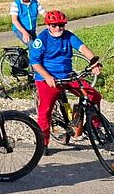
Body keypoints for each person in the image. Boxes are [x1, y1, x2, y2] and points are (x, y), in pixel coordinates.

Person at [29, 10, 102, 154]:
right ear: (48, 26)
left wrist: (94, 62)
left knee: (93, 96)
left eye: (61, 25)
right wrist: (47, 76)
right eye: (54, 25)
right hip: (47, 78)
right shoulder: (41, 40)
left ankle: (93, 126)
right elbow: (35, 63)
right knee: (45, 111)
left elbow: (82, 48)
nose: (58, 28)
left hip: (68, 76)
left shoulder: (68, 36)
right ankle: (43, 142)